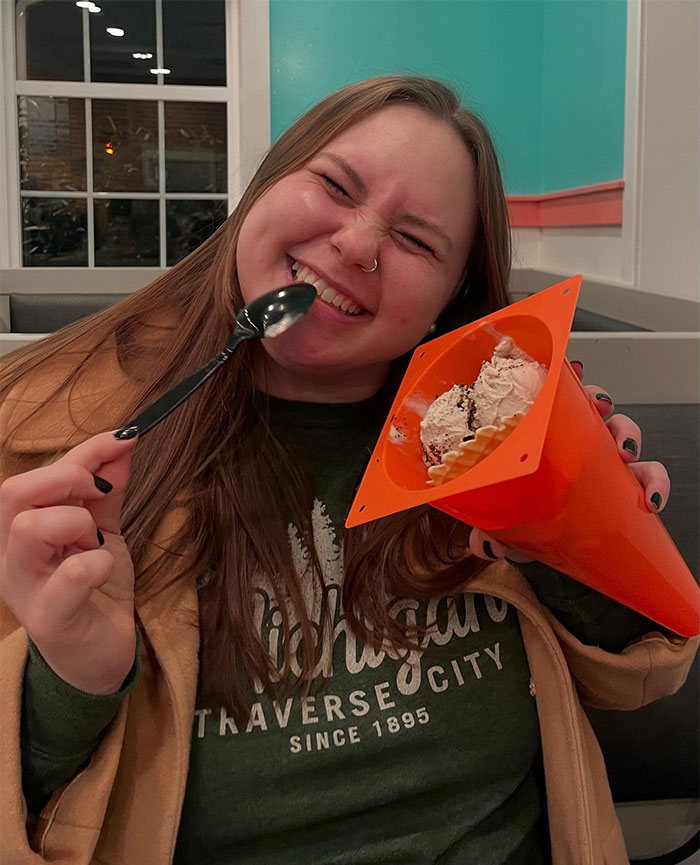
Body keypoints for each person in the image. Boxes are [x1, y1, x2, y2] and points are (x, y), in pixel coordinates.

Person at [0, 76, 696, 865]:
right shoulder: (36, 439)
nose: (358, 245)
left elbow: (640, 679)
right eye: (334, 185)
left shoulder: (485, 443)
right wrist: (71, 680)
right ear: (265, 187)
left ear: (446, 299)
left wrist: (573, 522)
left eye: (417, 241)